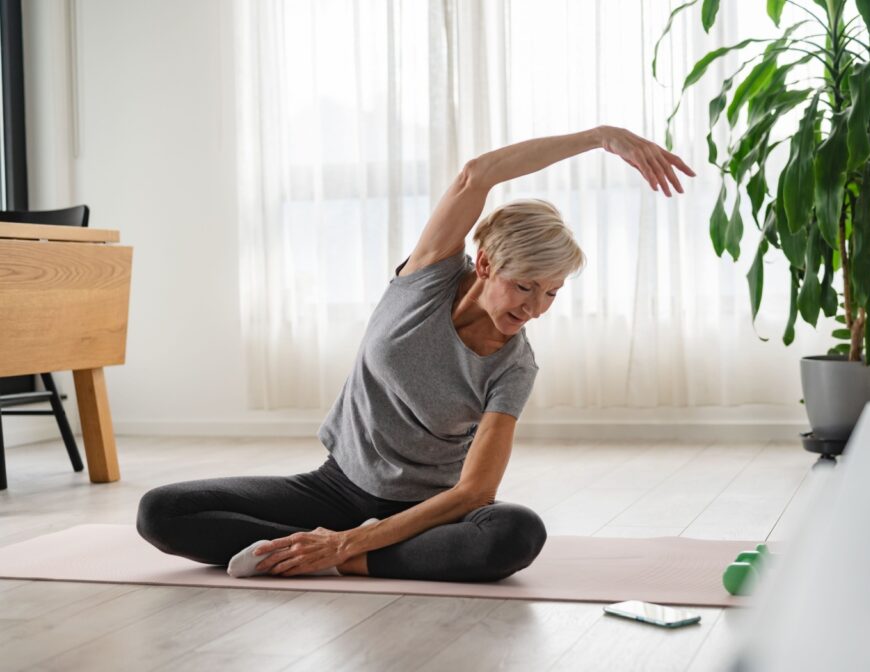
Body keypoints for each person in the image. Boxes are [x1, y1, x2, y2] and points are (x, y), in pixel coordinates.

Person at [136, 125, 693, 582]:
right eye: (525, 286)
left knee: (515, 533)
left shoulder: (513, 366)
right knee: (161, 512)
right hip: (333, 487)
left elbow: (476, 491)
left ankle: (344, 558)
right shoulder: (424, 279)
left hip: (424, 514)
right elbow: (479, 173)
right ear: (485, 266)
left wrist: (356, 540)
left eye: (552, 293)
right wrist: (601, 138)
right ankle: (326, 552)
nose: (536, 309)